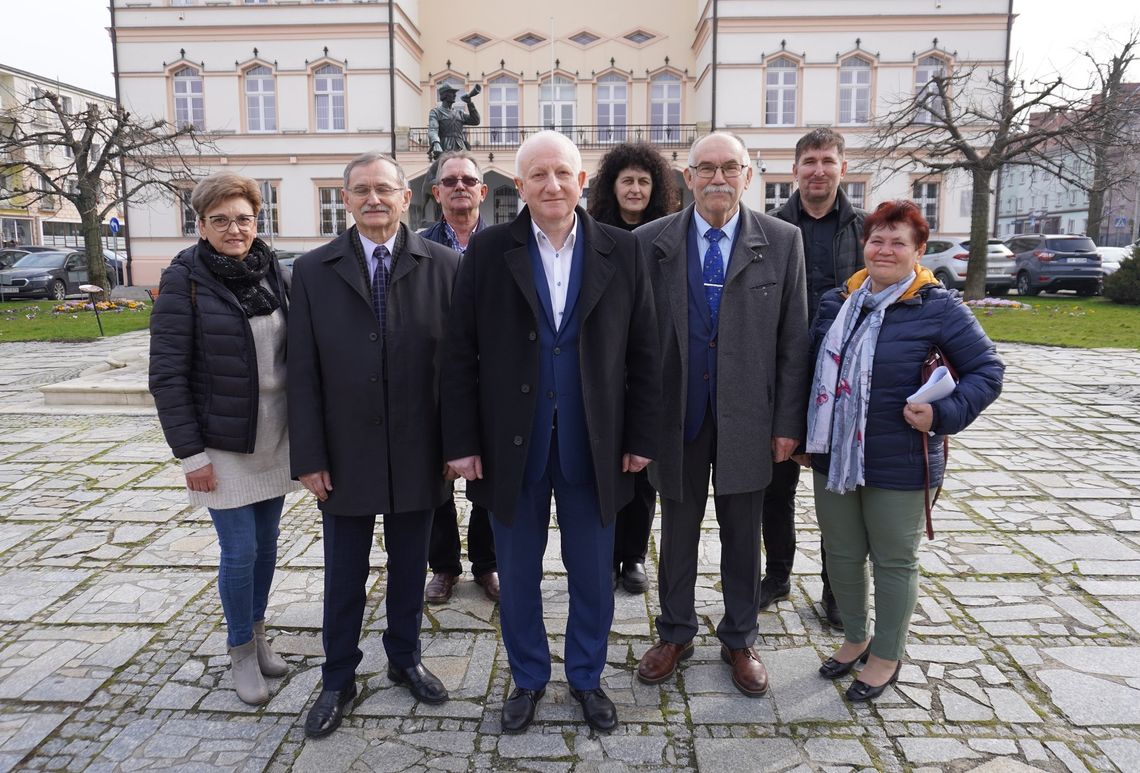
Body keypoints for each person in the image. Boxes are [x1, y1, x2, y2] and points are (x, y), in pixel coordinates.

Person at [441, 130, 660, 734]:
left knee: (593, 570)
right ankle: (530, 677)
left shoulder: (621, 249)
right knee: (518, 573)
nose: (551, 185)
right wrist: (461, 443)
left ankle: (587, 677)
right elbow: (459, 353)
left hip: (597, 443)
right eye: (537, 175)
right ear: (520, 185)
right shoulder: (487, 252)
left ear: (582, 180)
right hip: (513, 442)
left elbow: (644, 352)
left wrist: (641, 436)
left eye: (562, 173)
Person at [288, 152, 460, 738]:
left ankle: (404, 658)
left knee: (411, 566)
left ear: (407, 197)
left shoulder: (445, 266)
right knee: (344, 572)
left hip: (421, 447)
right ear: (346, 199)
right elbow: (302, 371)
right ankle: (338, 677)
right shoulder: (312, 270)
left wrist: (457, 445)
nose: (373, 200)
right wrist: (308, 457)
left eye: (384, 189)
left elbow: (460, 369)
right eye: (360, 191)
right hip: (345, 453)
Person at [805, 200, 1003, 702]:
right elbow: (806, 371)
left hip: (902, 460)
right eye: (877, 239)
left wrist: (943, 415)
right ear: (864, 245)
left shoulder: (938, 306)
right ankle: (856, 638)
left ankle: (887, 654)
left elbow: (988, 371)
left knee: (894, 560)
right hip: (835, 457)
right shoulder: (838, 301)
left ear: (917, 251)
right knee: (843, 555)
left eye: (899, 242)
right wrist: (799, 435)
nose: (885, 249)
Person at [634, 131, 810, 697]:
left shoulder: (783, 242)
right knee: (678, 532)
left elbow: (794, 340)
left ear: (748, 175)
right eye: (705, 168)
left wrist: (787, 423)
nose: (718, 178)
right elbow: (632, 346)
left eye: (729, 167)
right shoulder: (650, 242)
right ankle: (676, 631)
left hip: (748, 419)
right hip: (676, 418)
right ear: (687, 177)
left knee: (742, 533)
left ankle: (740, 636)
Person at [149, 172, 296, 706]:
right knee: (240, 551)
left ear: (258, 220)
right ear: (201, 224)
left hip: (275, 436)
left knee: (268, 547)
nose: (234, 229)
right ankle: (239, 652)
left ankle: (258, 635)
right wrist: (190, 455)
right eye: (221, 220)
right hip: (221, 445)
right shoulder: (184, 280)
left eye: (243, 218)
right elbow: (166, 375)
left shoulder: (273, 271)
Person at [765, 128, 867, 627]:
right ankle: (778, 574)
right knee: (775, 487)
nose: (818, 170)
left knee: (837, 489)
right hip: (784, 373)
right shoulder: (769, 227)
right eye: (809, 161)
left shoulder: (864, 230)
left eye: (827, 160)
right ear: (795, 170)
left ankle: (834, 588)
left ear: (842, 169)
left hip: (846, 382)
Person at [587, 142, 679, 594]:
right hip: (603, 366)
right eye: (628, 180)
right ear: (612, 186)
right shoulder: (594, 234)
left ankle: (634, 556)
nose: (636, 188)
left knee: (642, 470)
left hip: (651, 362)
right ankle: (603, 553)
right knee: (603, 466)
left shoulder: (668, 237)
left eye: (644, 181)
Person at [419, 150, 498, 604]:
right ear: (436, 192)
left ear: (483, 192)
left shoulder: (505, 243)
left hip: (493, 382)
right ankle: (444, 566)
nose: (460, 187)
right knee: (437, 480)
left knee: (490, 479)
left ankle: (488, 565)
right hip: (433, 380)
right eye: (450, 181)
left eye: (469, 180)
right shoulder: (418, 245)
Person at [428, 84, 481, 160]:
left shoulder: (459, 113)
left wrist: (469, 103)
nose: (455, 95)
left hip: (461, 147)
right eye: (452, 93)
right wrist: (436, 143)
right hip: (445, 146)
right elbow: (433, 130)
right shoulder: (436, 112)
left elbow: (476, 121)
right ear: (445, 95)